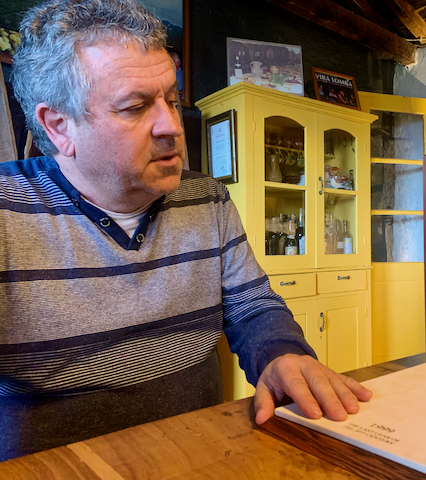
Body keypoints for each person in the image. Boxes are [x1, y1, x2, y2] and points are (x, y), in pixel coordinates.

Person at [0, 0, 371, 461]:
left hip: (202, 454)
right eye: (135, 107)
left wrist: (281, 354)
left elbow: (252, 308)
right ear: (58, 127)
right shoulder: (5, 214)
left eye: (172, 100)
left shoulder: (209, 199)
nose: (171, 126)